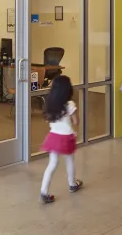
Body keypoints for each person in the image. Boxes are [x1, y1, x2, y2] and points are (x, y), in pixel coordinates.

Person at [39, 74, 83, 203]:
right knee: (69, 161)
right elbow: (76, 122)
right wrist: (74, 112)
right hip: (66, 137)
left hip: (53, 136)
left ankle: (43, 191)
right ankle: (72, 184)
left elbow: (48, 120)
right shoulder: (69, 104)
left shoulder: (50, 103)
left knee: (52, 164)